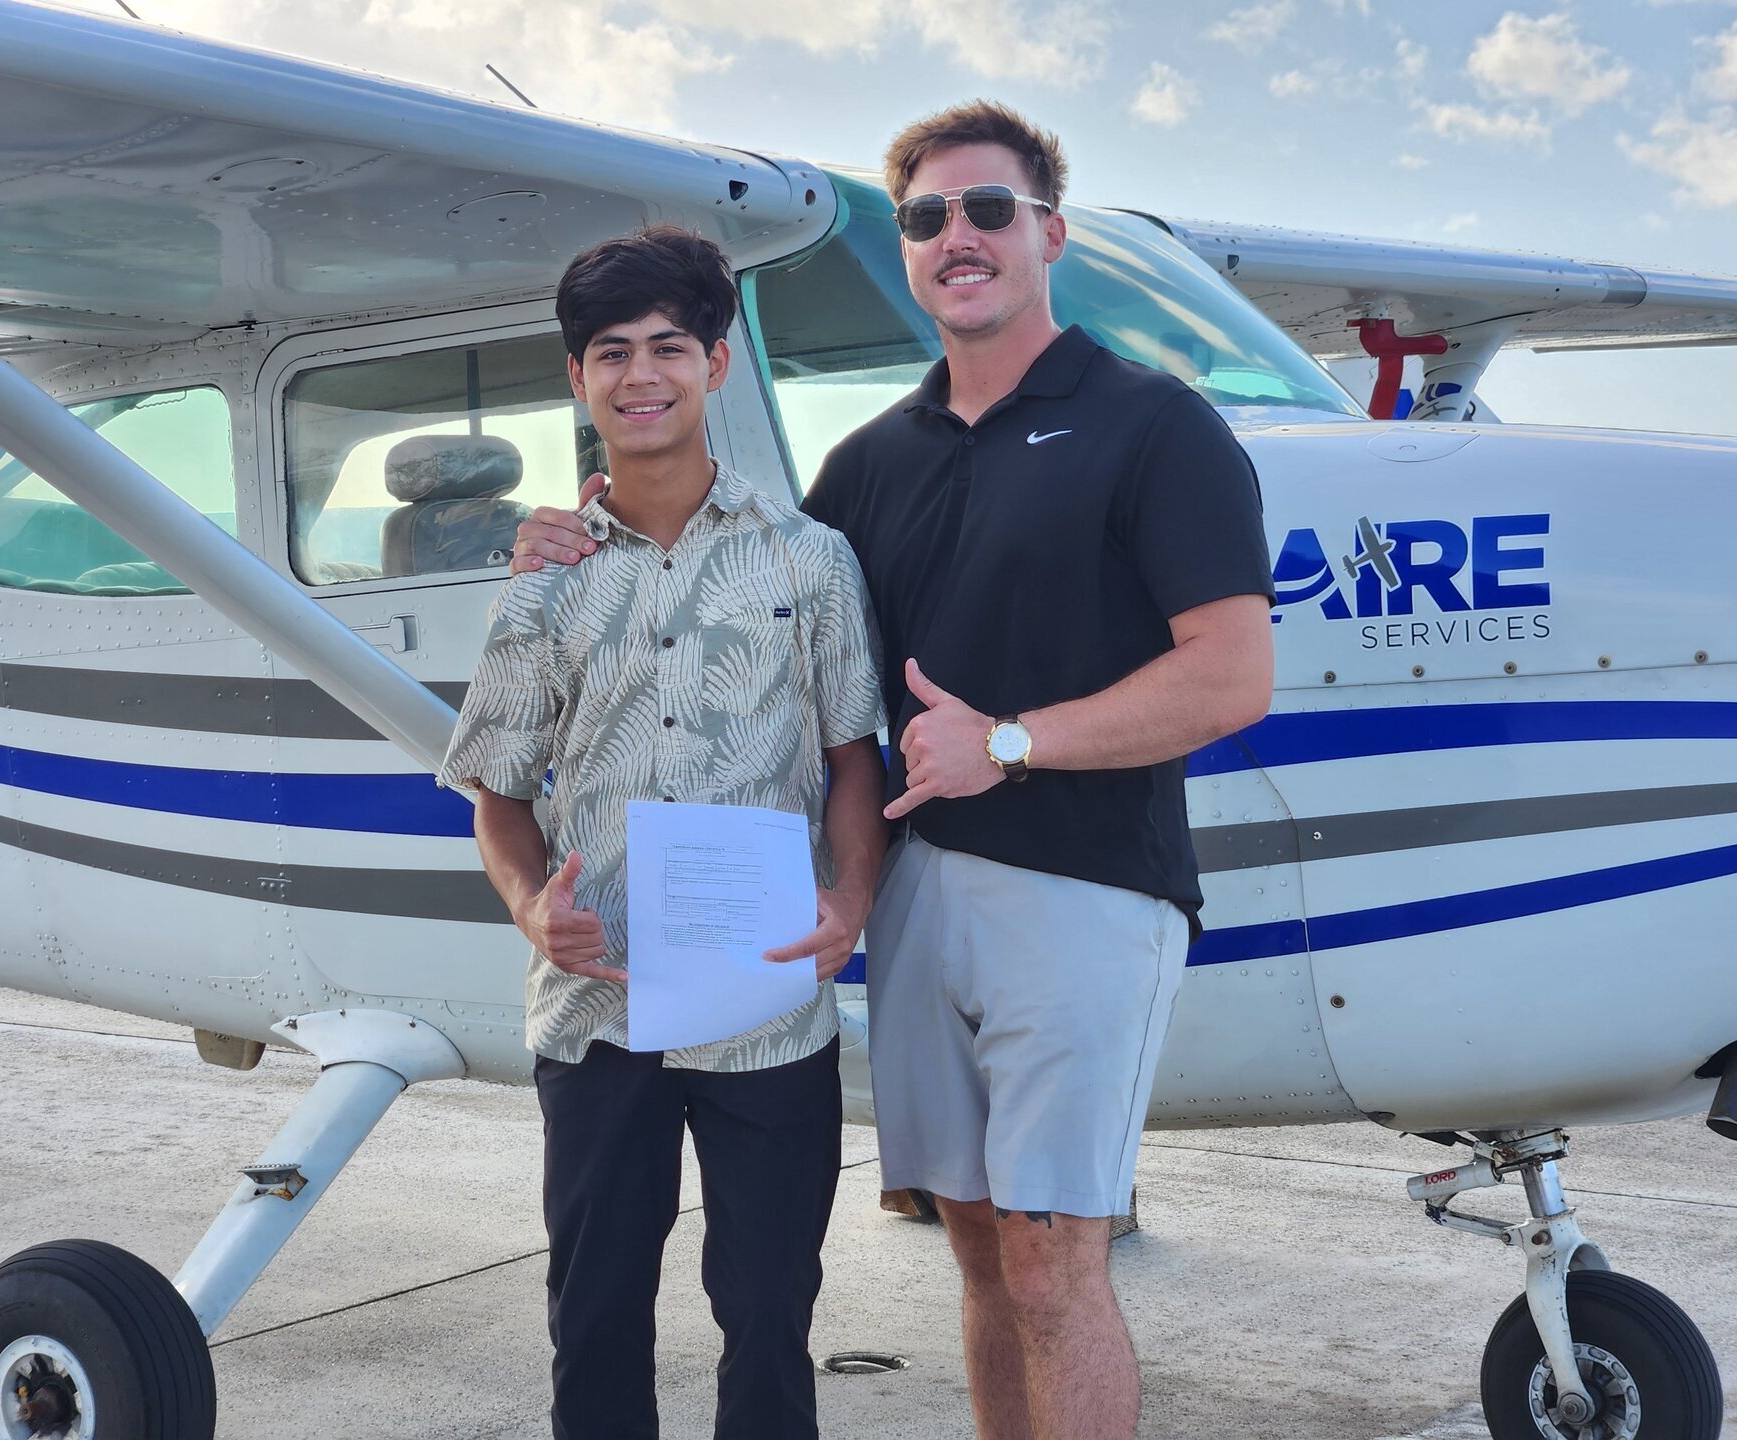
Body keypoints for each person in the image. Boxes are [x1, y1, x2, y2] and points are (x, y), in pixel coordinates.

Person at [511, 105, 1275, 1440]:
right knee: (979, 1250)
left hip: (1085, 888)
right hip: (917, 907)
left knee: (1053, 1256)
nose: (957, 237)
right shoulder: (868, 467)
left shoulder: (1157, 426)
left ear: (1049, 231)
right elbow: (789, 674)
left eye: (990, 211)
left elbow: (1232, 676)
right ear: (908, 250)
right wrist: (569, 537)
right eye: (926, 218)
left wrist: (1015, 743)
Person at [441, 225, 887, 1440]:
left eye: (668, 347)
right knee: (593, 1320)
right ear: (578, 381)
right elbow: (497, 796)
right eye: (611, 353)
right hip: (598, 1019)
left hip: (766, 1009)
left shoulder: (812, 560)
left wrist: (846, 904)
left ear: (717, 364)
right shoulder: (543, 583)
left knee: (768, 1312)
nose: (642, 374)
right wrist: (535, 909)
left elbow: (856, 761)